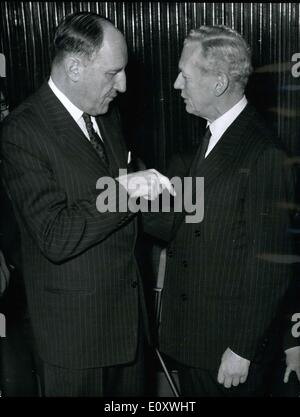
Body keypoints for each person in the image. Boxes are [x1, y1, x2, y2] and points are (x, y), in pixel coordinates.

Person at [0, 11, 172, 397]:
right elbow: (55, 235)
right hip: (74, 342)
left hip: (127, 330)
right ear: (75, 68)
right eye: (113, 73)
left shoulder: (106, 117)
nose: (124, 85)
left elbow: (141, 199)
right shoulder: (22, 131)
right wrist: (125, 192)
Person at [144, 25, 299, 396]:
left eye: (185, 74)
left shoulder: (263, 154)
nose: (176, 85)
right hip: (198, 339)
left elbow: (271, 266)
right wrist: (121, 196)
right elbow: (199, 220)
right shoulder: (215, 135)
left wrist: (243, 349)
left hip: (226, 349)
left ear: (217, 84)